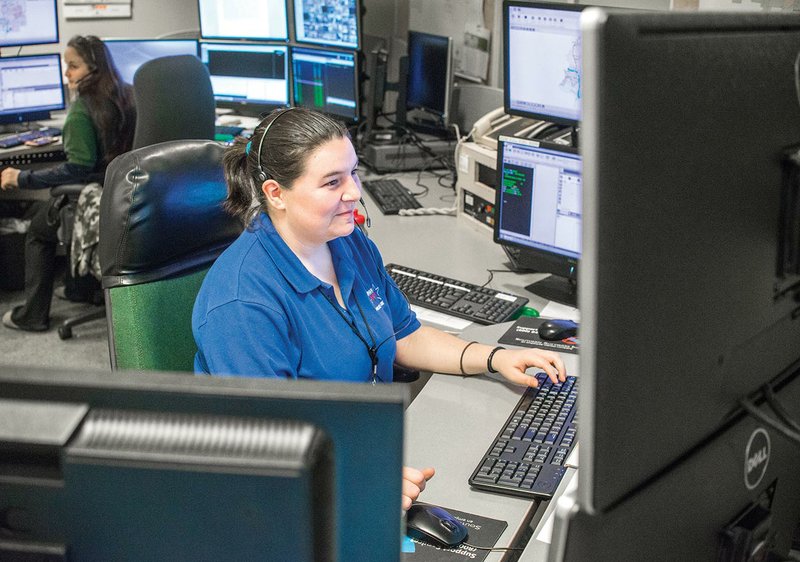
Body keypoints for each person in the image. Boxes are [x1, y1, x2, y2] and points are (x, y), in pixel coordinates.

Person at [192, 107, 567, 509]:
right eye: (332, 182)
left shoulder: (345, 241)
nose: (354, 192)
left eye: (352, 173)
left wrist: (493, 357)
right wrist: (361, 483)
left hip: (366, 446)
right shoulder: (242, 305)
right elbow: (268, 451)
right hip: (291, 495)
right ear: (276, 194)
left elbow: (404, 333)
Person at [1, 35, 136, 332]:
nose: (66, 74)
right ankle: (79, 290)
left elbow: (77, 167)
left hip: (93, 198)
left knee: (38, 230)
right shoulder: (128, 94)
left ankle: (33, 315)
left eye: (72, 66)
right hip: (125, 196)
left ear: (93, 67)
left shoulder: (81, 111)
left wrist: (23, 177)